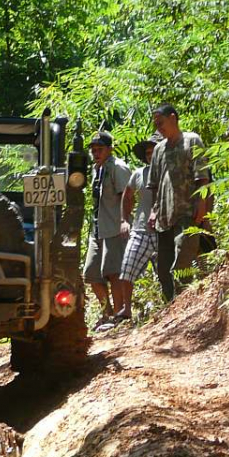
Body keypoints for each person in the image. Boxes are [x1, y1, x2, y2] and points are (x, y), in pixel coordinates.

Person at [147, 104, 210, 301]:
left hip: (188, 211)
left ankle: (185, 301)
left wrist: (202, 205)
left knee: (182, 257)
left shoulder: (192, 140)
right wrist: (153, 210)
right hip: (164, 215)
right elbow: (154, 184)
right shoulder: (158, 150)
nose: (159, 128)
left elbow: (203, 177)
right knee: (163, 265)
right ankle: (170, 305)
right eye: (156, 125)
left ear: (173, 118)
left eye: (161, 122)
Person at [82, 131, 132, 328]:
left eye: (100, 149)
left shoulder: (118, 168)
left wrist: (124, 221)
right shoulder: (97, 169)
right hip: (97, 229)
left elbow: (127, 196)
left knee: (114, 272)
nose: (96, 153)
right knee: (91, 273)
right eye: (93, 150)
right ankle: (106, 313)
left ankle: (119, 315)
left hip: (114, 228)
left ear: (110, 149)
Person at [117, 133, 162, 321]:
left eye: (154, 151)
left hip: (163, 231)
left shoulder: (168, 173)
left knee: (167, 273)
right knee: (127, 269)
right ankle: (126, 309)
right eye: (148, 153)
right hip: (140, 230)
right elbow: (127, 196)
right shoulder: (138, 174)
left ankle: (169, 305)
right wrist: (124, 220)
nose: (150, 155)